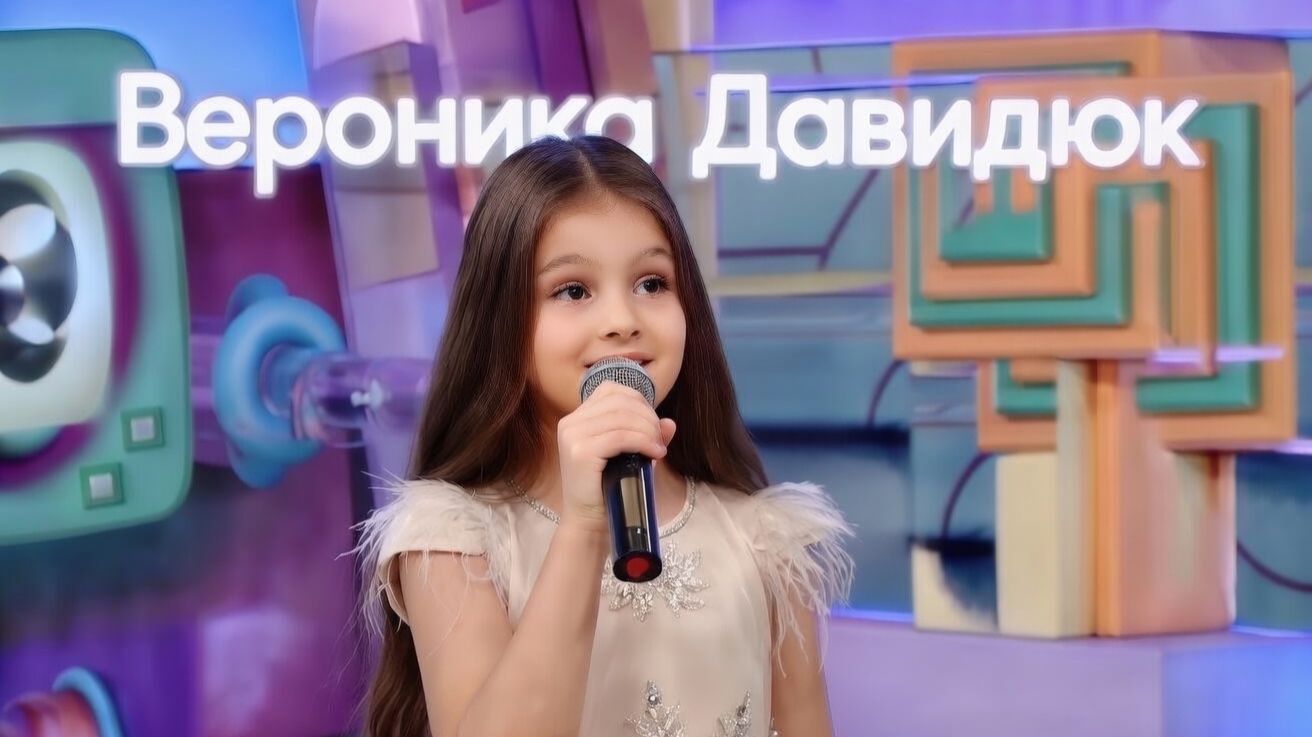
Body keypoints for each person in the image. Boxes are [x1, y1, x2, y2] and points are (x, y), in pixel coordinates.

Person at [355, 135, 854, 737]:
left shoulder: (766, 542)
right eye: (573, 290)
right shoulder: (454, 542)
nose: (622, 320)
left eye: (652, 283)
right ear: (500, 318)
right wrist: (584, 525)